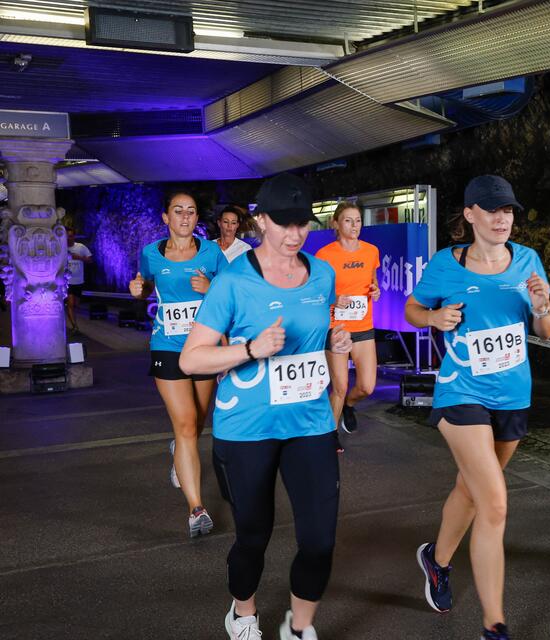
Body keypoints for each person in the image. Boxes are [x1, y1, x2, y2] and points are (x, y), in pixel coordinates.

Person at [180, 173, 351, 640]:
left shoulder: (323, 274)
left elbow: (321, 336)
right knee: (253, 535)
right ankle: (243, 613)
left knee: (319, 540)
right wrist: (250, 350)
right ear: (260, 221)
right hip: (246, 428)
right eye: (285, 224)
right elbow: (191, 358)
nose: (296, 235)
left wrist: (336, 343)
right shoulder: (233, 282)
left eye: (304, 224)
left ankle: (299, 627)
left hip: (310, 423)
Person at [405, 175, 550, 640]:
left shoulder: (528, 260)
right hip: (461, 390)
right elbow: (413, 307)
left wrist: (542, 304)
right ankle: (494, 624)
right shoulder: (446, 266)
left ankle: (437, 560)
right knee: (494, 502)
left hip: (513, 395)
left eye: (507, 211)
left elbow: (546, 330)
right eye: (491, 210)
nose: (501, 218)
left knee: (471, 491)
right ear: (469, 215)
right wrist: (431, 317)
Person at [129, 191, 228, 537]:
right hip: (167, 346)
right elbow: (144, 285)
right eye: (178, 211)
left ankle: (177, 451)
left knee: (198, 421)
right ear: (165, 217)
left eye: (191, 211)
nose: (185, 217)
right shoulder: (151, 254)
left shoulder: (212, 253)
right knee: (186, 424)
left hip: (203, 345)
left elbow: (233, 292)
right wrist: (138, 289)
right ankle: (196, 509)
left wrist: (212, 285)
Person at [315, 201, 380, 434]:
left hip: (363, 325)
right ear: (336, 223)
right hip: (337, 326)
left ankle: (349, 406)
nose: (354, 225)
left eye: (358, 220)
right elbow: (316, 294)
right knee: (340, 387)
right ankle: (329, 438)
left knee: (367, 386)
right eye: (348, 220)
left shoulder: (371, 251)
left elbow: (373, 283)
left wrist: (376, 290)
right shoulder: (324, 255)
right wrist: (334, 298)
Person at [65, 226, 93, 336]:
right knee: (70, 304)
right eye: (66, 236)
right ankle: (74, 326)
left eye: (70, 236)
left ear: (74, 236)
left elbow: (90, 260)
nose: (68, 238)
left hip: (79, 281)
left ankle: (74, 322)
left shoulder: (80, 247)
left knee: (76, 305)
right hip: (67, 281)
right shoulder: (61, 248)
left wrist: (79, 258)